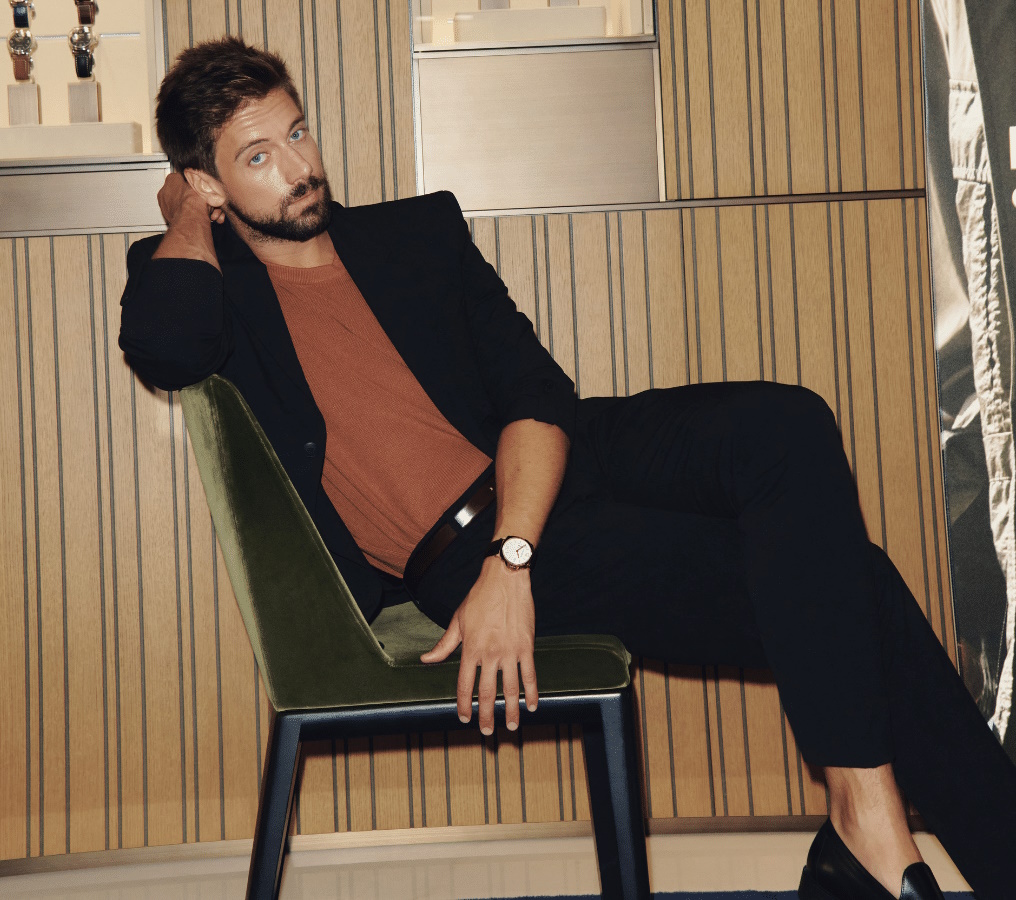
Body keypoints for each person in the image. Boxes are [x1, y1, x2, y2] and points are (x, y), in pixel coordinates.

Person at [119, 36, 1016, 900]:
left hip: (552, 465)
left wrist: (514, 563)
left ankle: (863, 820)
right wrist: (187, 218)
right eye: (258, 157)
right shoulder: (196, 281)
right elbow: (166, 346)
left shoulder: (416, 234)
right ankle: (885, 836)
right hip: (454, 550)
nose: (300, 166)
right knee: (853, 585)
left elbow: (535, 391)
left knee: (786, 423)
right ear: (204, 181)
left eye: (300, 132)